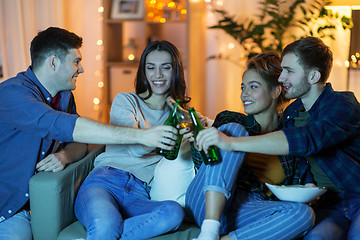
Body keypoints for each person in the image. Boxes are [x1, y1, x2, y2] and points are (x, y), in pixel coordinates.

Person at [0, 27, 179, 240]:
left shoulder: (64, 97)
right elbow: (67, 126)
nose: (82, 69)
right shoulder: (13, 94)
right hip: (7, 210)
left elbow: (79, 142)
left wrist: (64, 156)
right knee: (104, 225)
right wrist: (143, 135)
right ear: (54, 62)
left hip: (28, 209)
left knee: (170, 213)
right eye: (76, 61)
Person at [196, 37, 360, 240]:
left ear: (313, 76)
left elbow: (308, 140)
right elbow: (298, 163)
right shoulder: (291, 114)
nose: (281, 78)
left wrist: (229, 142)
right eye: (282, 70)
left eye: (289, 71)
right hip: (327, 204)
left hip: (355, 197)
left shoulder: (341, 103)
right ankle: (209, 232)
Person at [74, 40, 196, 240]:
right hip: (105, 181)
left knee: (173, 212)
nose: (158, 75)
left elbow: (215, 125)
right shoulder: (127, 101)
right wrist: (161, 134)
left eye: (166, 68)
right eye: (151, 68)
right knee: (105, 225)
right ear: (144, 72)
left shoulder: (184, 115)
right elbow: (133, 147)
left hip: (141, 192)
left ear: (176, 72)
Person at [186, 51, 314, 240]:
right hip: (205, 203)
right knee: (232, 132)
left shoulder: (288, 138)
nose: (244, 94)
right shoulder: (231, 119)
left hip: (248, 210)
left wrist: (308, 188)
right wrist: (198, 140)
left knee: (304, 214)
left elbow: (296, 186)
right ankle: (209, 230)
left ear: (276, 91)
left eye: (253, 87)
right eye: (243, 87)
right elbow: (205, 163)